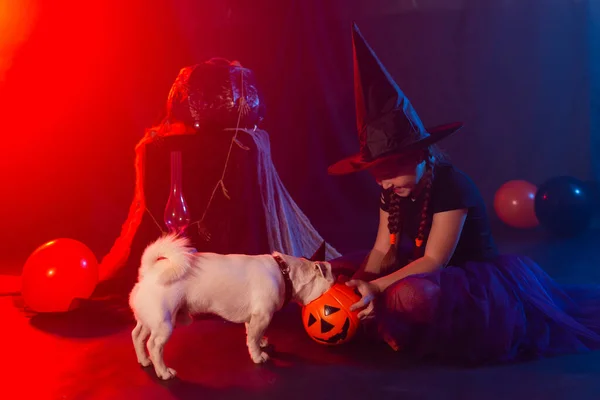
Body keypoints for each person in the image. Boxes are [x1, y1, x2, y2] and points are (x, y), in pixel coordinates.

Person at [326, 23, 600, 365]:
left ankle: (394, 324)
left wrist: (377, 288)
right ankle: (374, 318)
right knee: (338, 272)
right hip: (420, 266)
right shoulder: (392, 191)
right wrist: (358, 283)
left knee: (410, 297)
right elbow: (383, 246)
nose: (385, 184)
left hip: (469, 283)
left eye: (392, 173)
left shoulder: (451, 185)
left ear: (423, 156)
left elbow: (433, 261)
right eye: (378, 178)